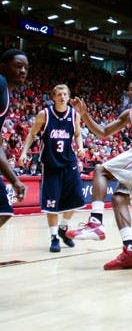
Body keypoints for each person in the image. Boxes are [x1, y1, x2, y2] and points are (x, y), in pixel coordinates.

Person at [66, 80, 132, 270]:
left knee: (99, 170)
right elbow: (103, 132)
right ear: (128, 94)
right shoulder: (128, 114)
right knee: (119, 198)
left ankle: (95, 222)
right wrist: (84, 115)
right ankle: (130, 250)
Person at [19, 84, 85, 252]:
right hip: (51, 164)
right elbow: (32, 134)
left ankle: (63, 228)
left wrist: (80, 147)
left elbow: (77, 134)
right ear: (54, 97)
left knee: (77, 199)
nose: (62, 97)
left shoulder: (74, 114)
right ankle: (54, 236)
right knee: (51, 204)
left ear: (68, 97)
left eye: (65, 94)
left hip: (69, 163)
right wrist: (24, 153)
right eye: (59, 94)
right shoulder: (45, 114)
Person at [0, 49, 29, 228]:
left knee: (4, 211)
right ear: (3, 67)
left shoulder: (6, 93)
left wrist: (14, 180)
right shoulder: (0, 84)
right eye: (18, 66)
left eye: (26, 67)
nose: (23, 71)